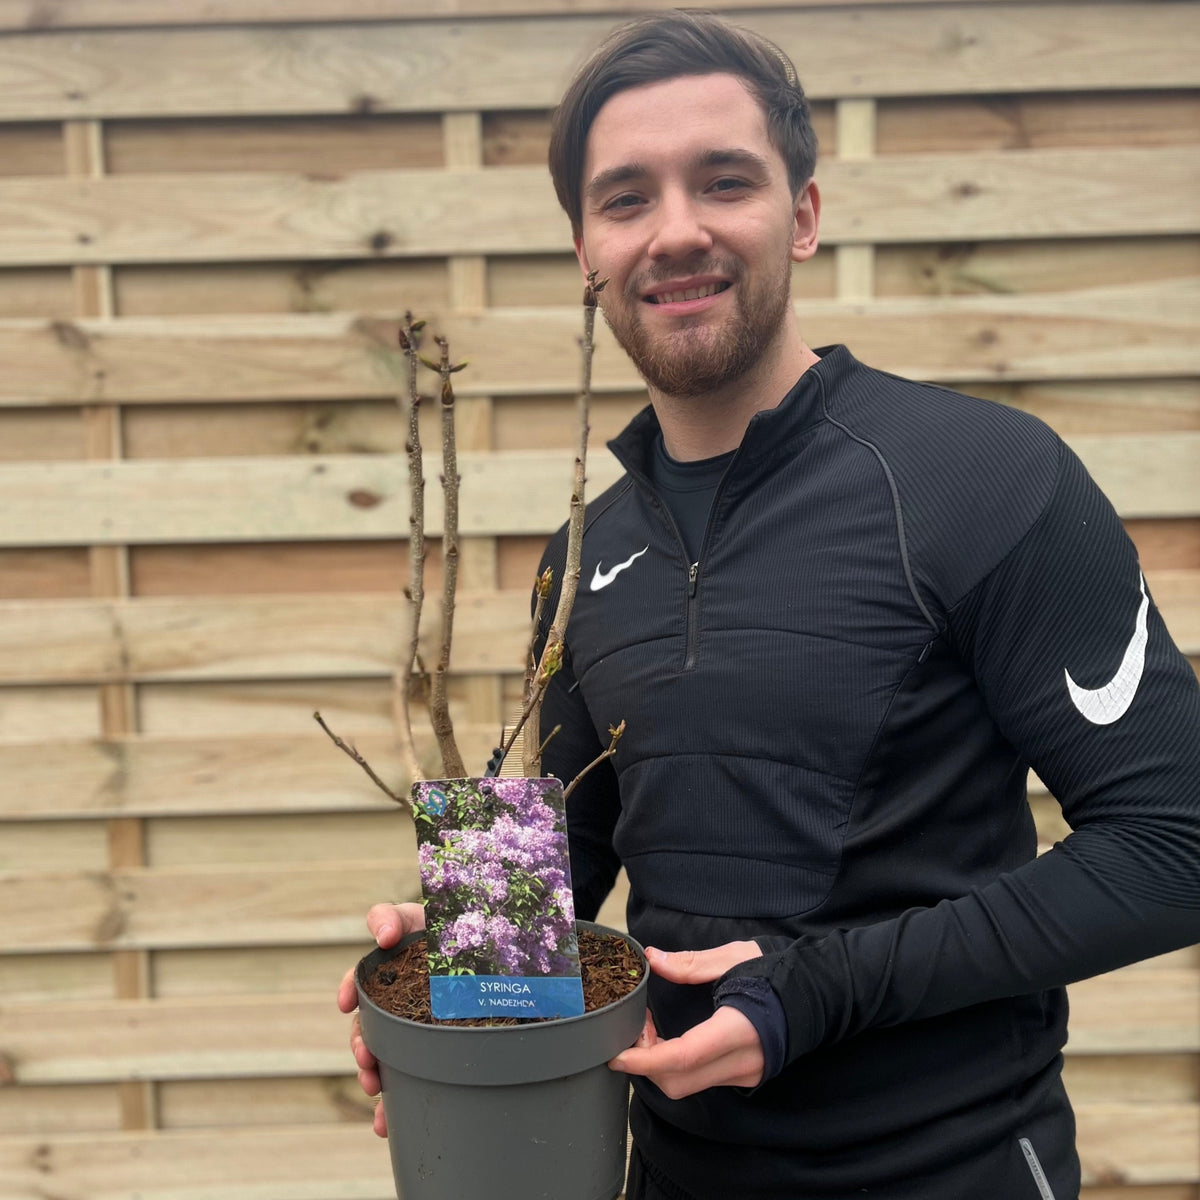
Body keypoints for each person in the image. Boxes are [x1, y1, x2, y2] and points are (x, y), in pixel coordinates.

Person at [339, 11, 1200, 1197]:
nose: (676, 229)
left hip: (952, 1171)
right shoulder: (580, 554)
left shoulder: (983, 478)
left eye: (724, 181)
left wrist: (810, 995)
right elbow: (575, 880)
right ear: (584, 248)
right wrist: (449, 980)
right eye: (626, 197)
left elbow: (1177, 843)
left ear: (801, 213)